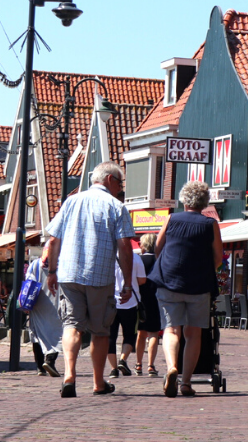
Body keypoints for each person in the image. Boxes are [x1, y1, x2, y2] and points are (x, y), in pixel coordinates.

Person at [46, 161, 135, 398]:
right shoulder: (116, 206)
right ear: (109, 180)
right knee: (100, 331)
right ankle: (98, 382)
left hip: (69, 274)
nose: (121, 188)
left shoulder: (71, 201)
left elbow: (54, 240)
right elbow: (125, 246)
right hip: (100, 276)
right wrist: (127, 282)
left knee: (71, 325)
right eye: (120, 183)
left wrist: (52, 272)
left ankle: (69, 375)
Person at [148, 181, 223, 398]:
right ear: (205, 202)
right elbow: (218, 257)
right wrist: (204, 269)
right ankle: (186, 382)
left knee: (171, 330)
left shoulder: (171, 219)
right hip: (199, 286)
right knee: (194, 334)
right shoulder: (210, 224)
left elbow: (158, 247)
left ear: (184, 200)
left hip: (169, 282)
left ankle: (172, 367)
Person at [107, 244, 146, 377]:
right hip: (130, 302)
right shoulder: (135, 258)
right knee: (130, 334)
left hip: (111, 302)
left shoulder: (108, 258)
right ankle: (123, 359)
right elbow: (142, 280)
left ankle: (113, 369)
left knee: (110, 336)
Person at [27, 239, 62, 377]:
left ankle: (39, 367)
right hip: (57, 304)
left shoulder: (35, 265)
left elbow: (28, 283)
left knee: (37, 334)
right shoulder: (62, 265)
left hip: (38, 305)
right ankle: (50, 360)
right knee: (57, 333)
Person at [134, 233, 162, 377]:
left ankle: (138, 364)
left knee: (140, 333)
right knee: (153, 334)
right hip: (155, 300)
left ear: (143, 245)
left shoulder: (138, 260)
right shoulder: (159, 260)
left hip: (139, 299)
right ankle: (151, 365)